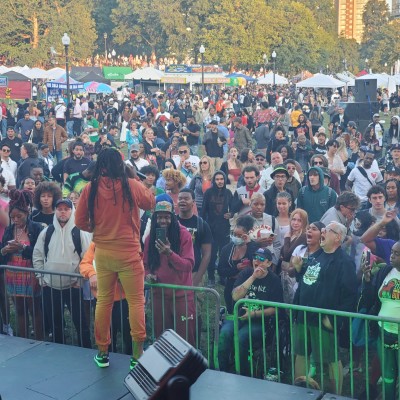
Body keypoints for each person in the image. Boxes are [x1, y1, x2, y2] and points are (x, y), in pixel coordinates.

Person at [75, 148, 155, 369]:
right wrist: (134, 176)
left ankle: (102, 353)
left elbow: (80, 222)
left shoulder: (90, 188)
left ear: (99, 165)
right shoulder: (132, 185)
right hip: (129, 253)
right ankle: (137, 356)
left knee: (103, 301)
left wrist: (97, 229)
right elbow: (150, 203)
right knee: (136, 302)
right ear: (122, 165)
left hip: (103, 253)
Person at [292, 222, 358, 395]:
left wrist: (336, 320)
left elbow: (350, 295)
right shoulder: (316, 255)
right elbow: (308, 280)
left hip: (325, 318)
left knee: (331, 359)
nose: (322, 232)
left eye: (326, 230)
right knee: (301, 353)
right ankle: (298, 392)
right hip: (303, 314)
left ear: (337, 237)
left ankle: (336, 396)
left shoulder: (345, 262)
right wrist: (299, 270)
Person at [218, 248, 284, 376]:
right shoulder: (246, 273)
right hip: (239, 316)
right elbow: (235, 296)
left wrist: (254, 314)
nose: (256, 261)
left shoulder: (274, 280)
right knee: (224, 334)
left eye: (261, 259)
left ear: (269, 263)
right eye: (255, 258)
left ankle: (243, 375)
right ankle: (222, 371)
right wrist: (253, 277)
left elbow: (275, 308)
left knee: (241, 337)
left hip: (259, 321)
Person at [143, 200, 196, 345]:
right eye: (159, 217)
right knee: (162, 338)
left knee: (185, 338)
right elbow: (145, 264)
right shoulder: (150, 238)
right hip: (159, 295)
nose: (163, 221)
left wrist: (169, 253)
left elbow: (188, 265)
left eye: (167, 217)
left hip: (181, 295)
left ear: (173, 217)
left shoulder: (184, 235)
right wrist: (148, 275)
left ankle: (187, 361)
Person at [359, 240, 400, 400]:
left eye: (397, 254)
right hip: (384, 333)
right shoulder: (385, 272)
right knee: (388, 377)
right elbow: (370, 299)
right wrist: (367, 279)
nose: (392, 256)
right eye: (392, 252)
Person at [1, 190, 44, 339]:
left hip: (31, 272)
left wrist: (23, 248)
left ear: (27, 213)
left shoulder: (36, 228)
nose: (15, 220)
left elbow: (40, 252)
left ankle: (38, 339)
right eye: (12, 217)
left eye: (19, 216)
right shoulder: (9, 230)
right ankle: (23, 340)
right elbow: (2, 252)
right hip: (13, 273)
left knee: (34, 308)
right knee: (19, 308)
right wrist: (5, 250)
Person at [218, 215, 258, 314]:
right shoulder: (227, 249)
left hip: (249, 287)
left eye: (240, 235)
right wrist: (236, 268)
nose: (236, 238)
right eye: (234, 234)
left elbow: (257, 262)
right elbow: (220, 270)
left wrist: (249, 244)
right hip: (230, 285)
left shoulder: (254, 247)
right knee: (231, 312)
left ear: (248, 234)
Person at [202, 171, 233, 287]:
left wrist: (231, 213)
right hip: (211, 229)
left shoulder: (228, 193)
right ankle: (211, 277)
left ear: (224, 180)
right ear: (214, 181)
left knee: (224, 254)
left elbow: (234, 206)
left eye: (222, 179)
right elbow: (203, 210)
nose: (220, 181)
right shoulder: (208, 193)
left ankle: (222, 277)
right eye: (217, 179)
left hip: (224, 228)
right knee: (211, 254)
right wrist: (203, 226)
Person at [177, 189, 212, 287]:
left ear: (193, 202)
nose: (182, 201)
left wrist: (198, 278)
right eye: (180, 198)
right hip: (174, 273)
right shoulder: (172, 222)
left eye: (186, 198)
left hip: (193, 272)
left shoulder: (202, 224)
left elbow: (207, 254)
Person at [249, 193, 282, 265]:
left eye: (262, 204)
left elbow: (277, 244)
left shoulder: (272, 220)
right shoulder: (245, 220)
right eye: (256, 204)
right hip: (251, 260)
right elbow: (241, 244)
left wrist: (274, 262)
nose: (259, 207)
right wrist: (256, 244)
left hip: (268, 261)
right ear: (250, 204)